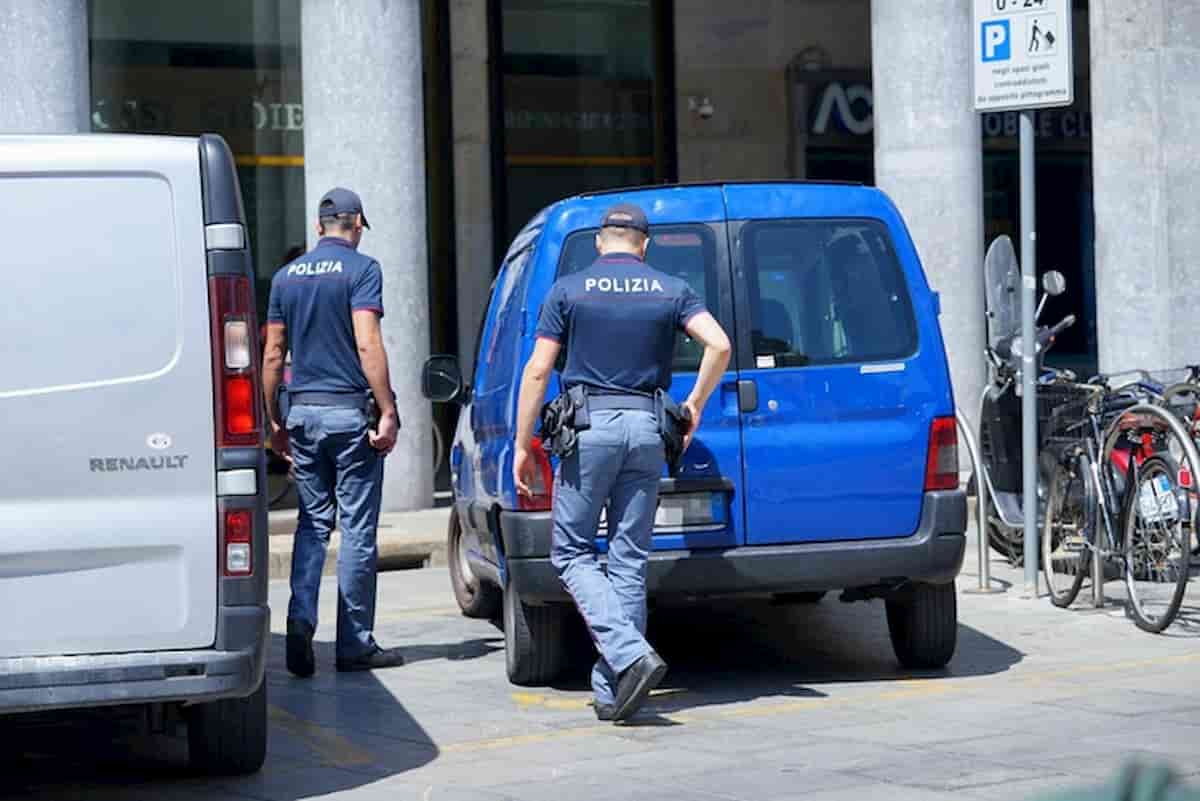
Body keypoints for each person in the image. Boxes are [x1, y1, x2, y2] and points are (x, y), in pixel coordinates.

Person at [514, 203, 732, 722]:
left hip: (590, 430)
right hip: (647, 430)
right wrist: (695, 404)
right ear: (645, 244)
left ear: (599, 243)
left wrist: (525, 444)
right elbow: (719, 343)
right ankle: (615, 690)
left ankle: (628, 655)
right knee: (629, 557)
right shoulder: (669, 288)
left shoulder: (568, 290)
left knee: (570, 553)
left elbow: (539, 369)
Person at [263, 187, 404, 676]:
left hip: (302, 414)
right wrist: (386, 408)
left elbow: (272, 354)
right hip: (348, 415)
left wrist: (274, 421)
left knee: (312, 523)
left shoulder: (285, 277)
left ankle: (300, 622)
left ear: (319, 226)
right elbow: (368, 343)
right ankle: (354, 643)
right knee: (358, 527)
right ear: (358, 225)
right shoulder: (363, 270)